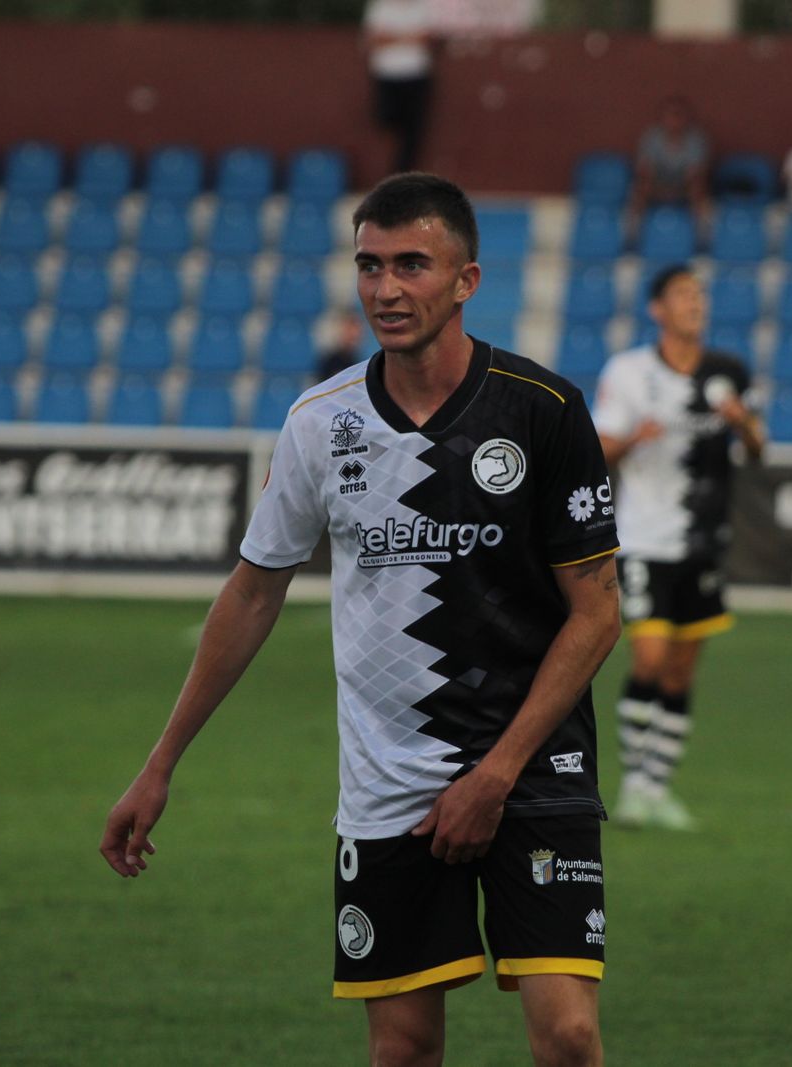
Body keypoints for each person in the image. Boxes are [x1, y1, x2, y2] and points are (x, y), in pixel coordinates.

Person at [102, 173, 622, 1067]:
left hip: (532, 763)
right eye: (369, 265)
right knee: (404, 1049)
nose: (385, 288)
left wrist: (495, 774)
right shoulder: (319, 422)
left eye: (412, 265)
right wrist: (160, 765)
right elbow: (253, 592)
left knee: (569, 1037)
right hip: (388, 780)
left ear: (466, 280)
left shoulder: (544, 410)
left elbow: (598, 610)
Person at [592, 265, 765, 832]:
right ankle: (635, 784)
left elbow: (759, 450)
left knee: (682, 672)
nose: (695, 304)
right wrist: (630, 438)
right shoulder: (631, 372)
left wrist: (743, 425)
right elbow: (598, 449)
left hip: (702, 541)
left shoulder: (729, 373)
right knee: (648, 657)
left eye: (700, 295)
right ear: (657, 309)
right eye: (683, 295)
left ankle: (656, 787)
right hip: (641, 537)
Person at [364, 0, 435, 174]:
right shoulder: (380, 7)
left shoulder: (422, 7)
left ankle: (403, 171)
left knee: (413, 128)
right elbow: (375, 38)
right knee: (386, 119)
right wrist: (409, 37)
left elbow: (427, 38)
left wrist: (393, 36)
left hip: (416, 75)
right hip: (387, 74)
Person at [626, 95, 712, 237]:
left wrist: (675, 190)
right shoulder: (652, 138)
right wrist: (660, 188)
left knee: (698, 187)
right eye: (671, 115)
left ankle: (702, 235)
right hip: (657, 185)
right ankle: (632, 233)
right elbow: (644, 169)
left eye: (679, 115)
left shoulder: (696, 140)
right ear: (662, 118)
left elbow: (696, 172)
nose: (675, 121)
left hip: (684, 186)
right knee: (641, 186)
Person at [315, 310, 366, 381]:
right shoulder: (329, 363)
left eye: (357, 330)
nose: (353, 334)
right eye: (349, 330)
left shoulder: (363, 363)